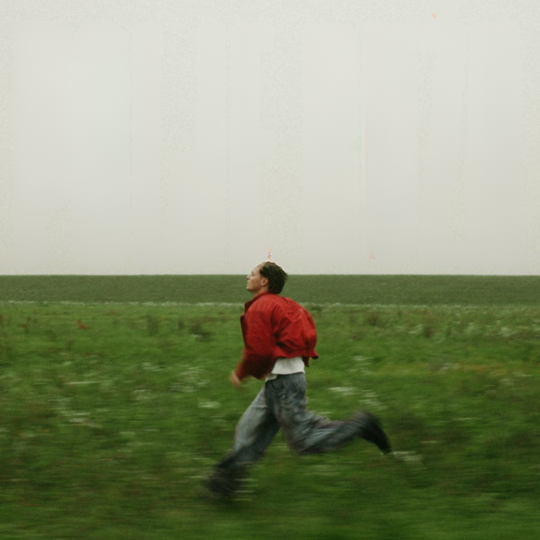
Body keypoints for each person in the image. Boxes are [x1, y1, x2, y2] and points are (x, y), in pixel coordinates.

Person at [204, 261, 391, 499]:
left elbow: (258, 350)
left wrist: (240, 373)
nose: (247, 277)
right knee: (248, 430)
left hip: (283, 383)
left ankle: (360, 425)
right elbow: (307, 335)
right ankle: (225, 481)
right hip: (283, 379)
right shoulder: (290, 305)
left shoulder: (260, 307)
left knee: (303, 439)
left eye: (252, 274)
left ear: (264, 281)